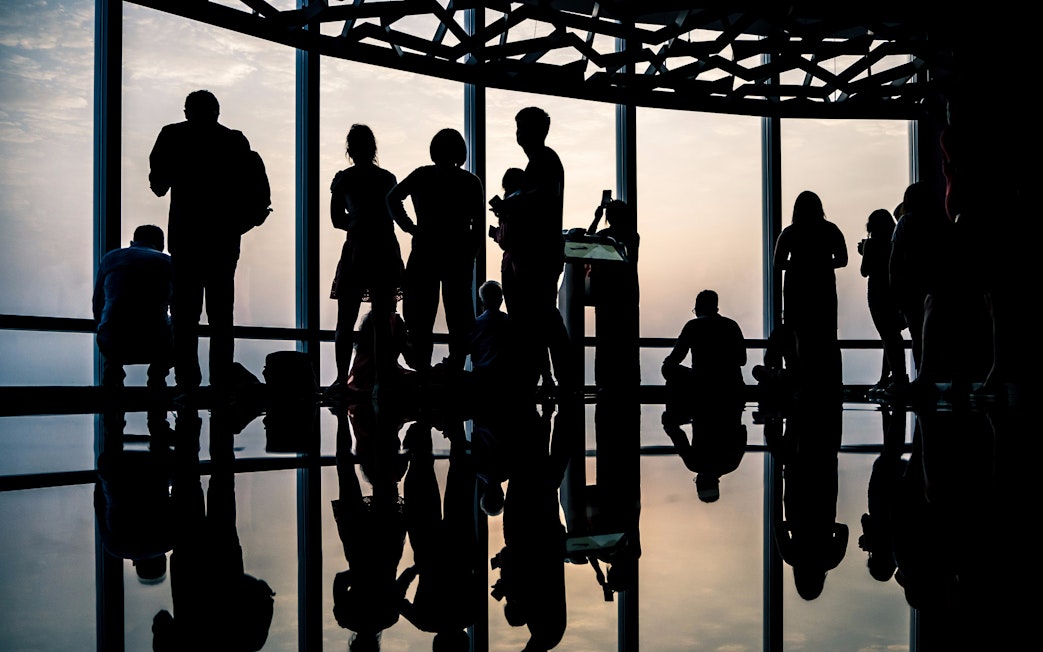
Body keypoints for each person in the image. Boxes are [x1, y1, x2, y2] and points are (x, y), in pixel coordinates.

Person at [149, 90, 253, 398]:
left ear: (186, 111)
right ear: (217, 112)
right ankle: (219, 384)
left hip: (186, 238)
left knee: (185, 317)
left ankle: (188, 385)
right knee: (222, 317)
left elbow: (158, 186)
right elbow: (248, 189)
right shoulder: (234, 140)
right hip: (223, 239)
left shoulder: (172, 135)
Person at [387, 128, 484, 372]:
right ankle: (456, 368)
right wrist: (470, 253)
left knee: (420, 316)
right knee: (458, 315)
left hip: (425, 251)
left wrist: (410, 227)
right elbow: (479, 226)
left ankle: (422, 368)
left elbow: (392, 198)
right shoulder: (470, 182)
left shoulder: (422, 176)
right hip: (457, 254)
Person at [491, 107, 571, 394]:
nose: (519, 134)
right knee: (542, 316)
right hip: (539, 253)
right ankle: (559, 378)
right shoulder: (541, 162)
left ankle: (560, 378)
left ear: (539, 131)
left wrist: (511, 204)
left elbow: (542, 198)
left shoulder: (543, 161)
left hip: (539, 254)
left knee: (543, 316)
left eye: (522, 128)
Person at [327, 124, 405, 400]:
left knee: (345, 321)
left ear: (349, 149)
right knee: (383, 321)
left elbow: (337, 220)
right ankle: (381, 381)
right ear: (374, 149)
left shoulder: (343, 179)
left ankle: (341, 380)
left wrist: (358, 222)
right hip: (384, 248)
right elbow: (394, 214)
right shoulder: (387, 178)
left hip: (357, 248)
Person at [772, 190, 847, 390]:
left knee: (800, 338)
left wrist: (799, 265)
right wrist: (820, 264)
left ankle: (802, 382)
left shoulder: (789, 233)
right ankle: (832, 383)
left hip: (796, 290)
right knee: (828, 339)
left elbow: (778, 263)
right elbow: (843, 259)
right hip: (823, 290)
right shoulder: (830, 230)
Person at [92, 224, 173, 391]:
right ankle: (157, 378)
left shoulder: (110, 258)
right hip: (154, 342)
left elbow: (97, 304)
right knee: (178, 326)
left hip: (113, 342)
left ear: (132, 242)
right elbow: (180, 307)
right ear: (162, 246)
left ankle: (113, 376)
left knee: (111, 323)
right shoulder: (168, 263)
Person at [661, 289, 746, 419]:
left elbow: (675, 358)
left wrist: (666, 362)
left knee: (668, 369)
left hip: (701, 382)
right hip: (731, 385)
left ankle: (674, 418)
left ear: (698, 308)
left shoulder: (693, 326)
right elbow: (742, 360)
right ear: (716, 308)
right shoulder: (731, 325)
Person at [587, 198, 640, 392]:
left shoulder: (606, 237)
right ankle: (624, 384)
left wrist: (596, 218)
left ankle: (604, 384)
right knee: (624, 342)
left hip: (606, 296)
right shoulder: (632, 237)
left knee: (605, 343)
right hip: (625, 296)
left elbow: (585, 241)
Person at [858, 208, 907, 397]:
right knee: (893, 335)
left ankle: (896, 377)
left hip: (877, 294)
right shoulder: (893, 243)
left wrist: (864, 252)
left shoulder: (871, 245)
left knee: (888, 337)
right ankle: (891, 376)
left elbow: (864, 271)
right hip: (894, 293)